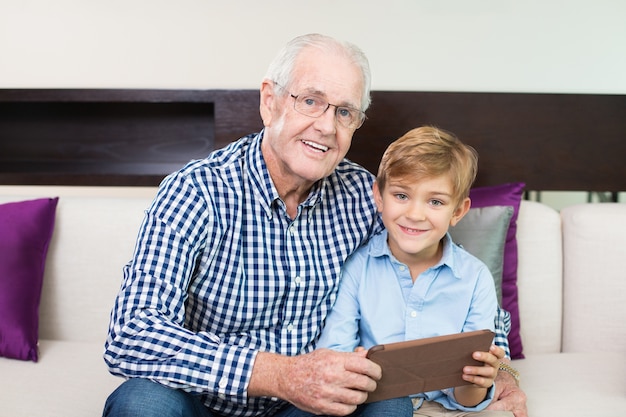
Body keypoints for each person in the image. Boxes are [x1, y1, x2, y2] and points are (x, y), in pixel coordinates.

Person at [102, 33, 527, 417]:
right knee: (140, 402)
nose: (326, 126)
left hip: (308, 410)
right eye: (310, 101)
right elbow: (131, 333)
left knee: (390, 404)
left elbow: (442, 262)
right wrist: (281, 374)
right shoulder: (196, 192)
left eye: (345, 112)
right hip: (200, 400)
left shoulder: (365, 196)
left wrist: (497, 364)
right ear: (270, 101)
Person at [292, 126, 507, 417]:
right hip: (370, 402)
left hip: (439, 406)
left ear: (458, 211)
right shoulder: (358, 268)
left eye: (435, 202)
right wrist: (351, 366)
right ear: (379, 197)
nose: (415, 214)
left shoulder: (475, 279)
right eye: (401, 195)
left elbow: (467, 398)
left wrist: (477, 380)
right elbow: (335, 358)